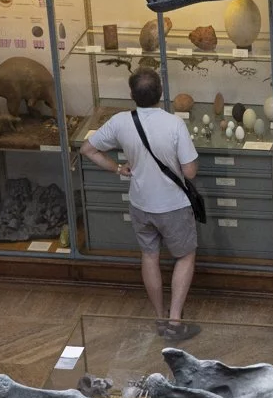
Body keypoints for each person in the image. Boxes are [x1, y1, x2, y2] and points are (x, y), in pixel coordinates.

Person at [81, 67, 201, 341]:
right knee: (185, 256)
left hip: (140, 203)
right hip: (172, 204)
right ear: (161, 92)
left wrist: (117, 168)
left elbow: (88, 149)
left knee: (149, 256)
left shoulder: (121, 121)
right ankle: (174, 321)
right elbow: (190, 171)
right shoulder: (174, 124)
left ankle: (159, 317)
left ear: (131, 95)